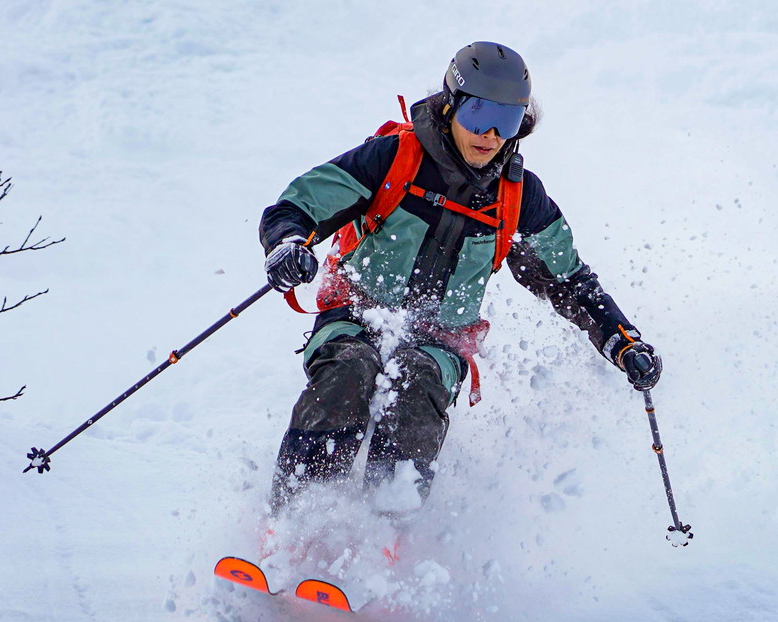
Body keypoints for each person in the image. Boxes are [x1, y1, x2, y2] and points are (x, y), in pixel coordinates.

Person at [260, 41, 662, 515]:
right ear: (451, 105)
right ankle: (297, 516)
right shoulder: (393, 158)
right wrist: (289, 242)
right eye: (478, 116)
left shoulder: (518, 197)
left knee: (417, 382)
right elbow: (300, 205)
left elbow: (569, 279)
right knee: (350, 369)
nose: (490, 134)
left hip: (438, 339)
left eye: (507, 121)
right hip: (356, 310)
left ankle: (384, 535)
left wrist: (622, 340)